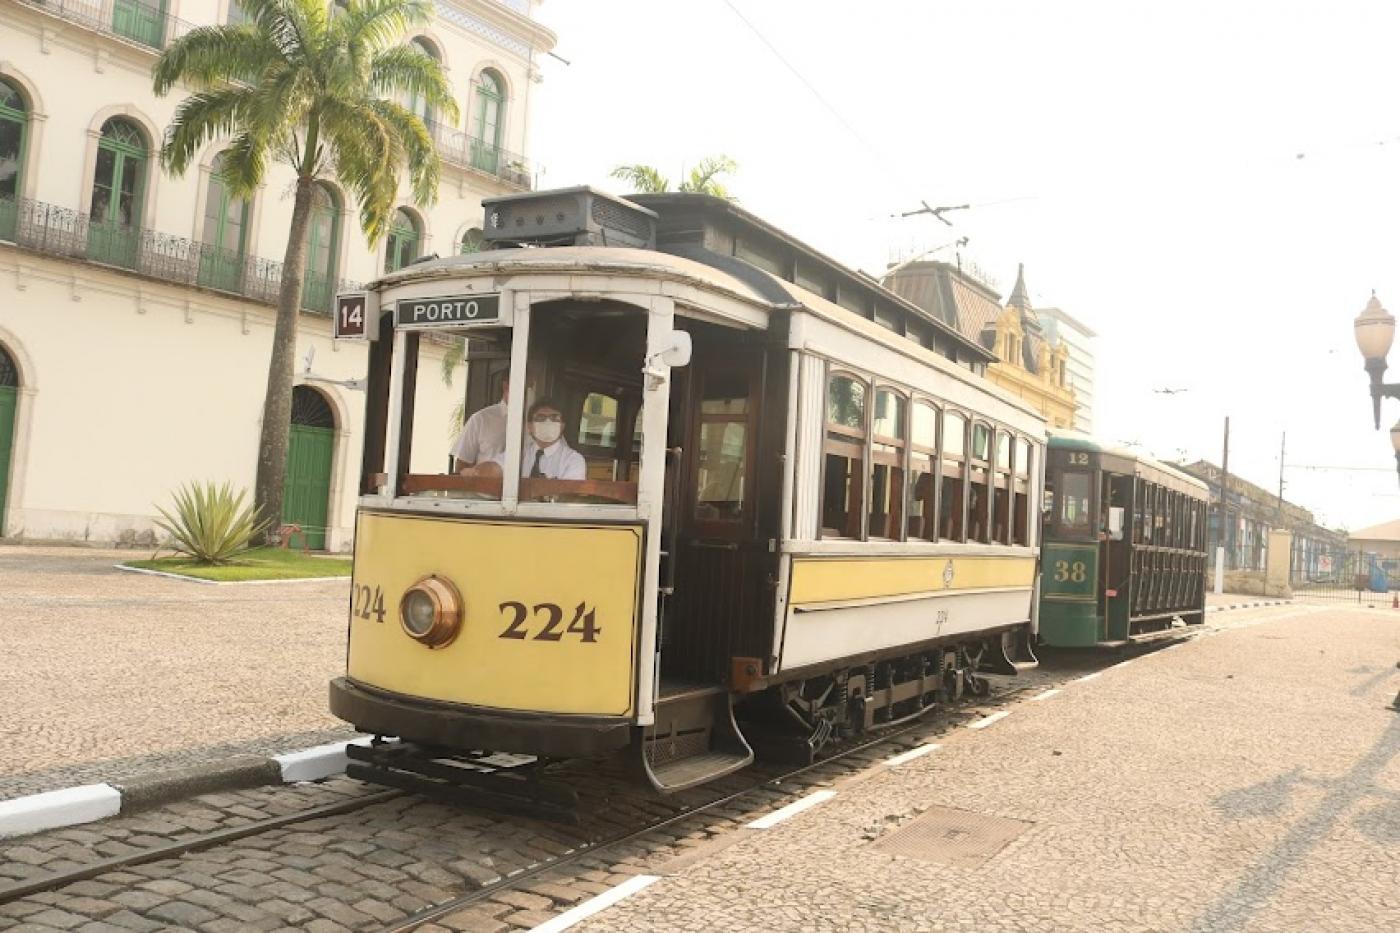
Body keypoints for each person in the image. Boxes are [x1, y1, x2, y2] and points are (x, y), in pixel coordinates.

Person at [468, 398, 587, 481]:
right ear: (529, 427)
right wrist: (477, 471)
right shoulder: (518, 455)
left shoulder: (574, 460)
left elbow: (568, 497)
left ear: (562, 426)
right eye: (541, 418)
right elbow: (495, 467)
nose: (548, 422)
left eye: (554, 418)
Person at [452, 379, 508, 474]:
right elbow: (462, 466)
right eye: (528, 385)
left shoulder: (535, 420)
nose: (530, 389)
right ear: (506, 386)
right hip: (484, 487)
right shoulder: (481, 419)